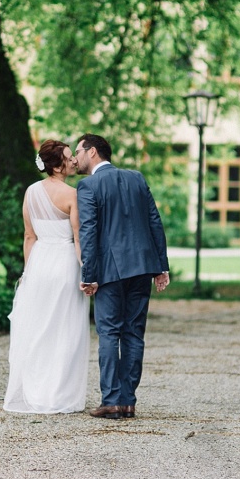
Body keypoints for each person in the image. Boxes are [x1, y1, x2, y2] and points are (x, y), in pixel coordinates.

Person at [75, 134, 169, 420]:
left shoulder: (88, 185)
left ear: (92, 152)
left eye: (78, 151)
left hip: (110, 272)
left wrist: (89, 275)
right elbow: (155, 221)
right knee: (133, 333)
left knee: (109, 333)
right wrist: (161, 266)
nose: (75, 157)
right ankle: (128, 401)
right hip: (142, 266)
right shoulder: (136, 178)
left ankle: (111, 399)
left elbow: (88, 233)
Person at [3, 140, 90, 414]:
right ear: (56, 165)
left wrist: (28, 273)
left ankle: (35, 392)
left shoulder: (30, 192)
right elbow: (78, 239)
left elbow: (29, 236)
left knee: (40, 331)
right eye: (68, 157)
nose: (73, 161)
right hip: (65, 264)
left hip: (39, 264)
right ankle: (58, 396)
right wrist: (87, 272)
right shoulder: (71, 195)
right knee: (66, 331)